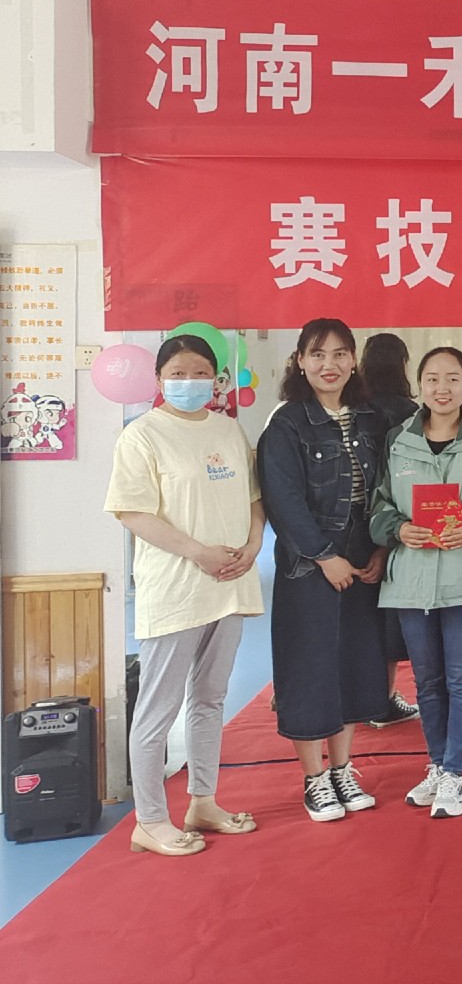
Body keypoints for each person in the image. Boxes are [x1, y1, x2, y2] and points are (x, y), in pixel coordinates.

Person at [105, 334, 265, 856]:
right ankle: (150, 820)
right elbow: (133, 512)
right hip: (176, 589)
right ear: (158, 379)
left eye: (200, 373)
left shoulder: (228, 429)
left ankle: (203, 801)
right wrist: (198, 552)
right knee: (158, 708)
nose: (190, 382)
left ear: (217, 380)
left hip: (230, 584)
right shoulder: (142, 435)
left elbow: (254, 498)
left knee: (210, 700)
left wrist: (252, 545)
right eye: (178, 373)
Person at [258, 319, 389, 822]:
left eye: (339, 354)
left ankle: (342, 769)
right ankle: (314, 779)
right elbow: (283, 499)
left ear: (354, 360)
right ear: (300, 361)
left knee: (356, 662)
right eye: (317, 355)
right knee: (309, 666)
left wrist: (380, 549)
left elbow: (387, 489)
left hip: (363, 555)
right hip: (308, 564)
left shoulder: (372, 420)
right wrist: (322, 554)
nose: (329, 365)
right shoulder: (287, 424)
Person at [369, 347, 462, 818]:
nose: (442, 389)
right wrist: (397, 529)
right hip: (411, 577)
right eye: (432, 379)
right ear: (419, 385)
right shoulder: (397, 440)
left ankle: (455, 773)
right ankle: (436, 763)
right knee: (427, 680)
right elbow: (379, 503)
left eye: (452, 379)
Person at [358, 331, 421, 729]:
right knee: (389, 618)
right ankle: (382, 698)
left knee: (358, 615)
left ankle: (359, 696)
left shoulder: (356, 408)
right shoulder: (409, 413)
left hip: (353, 523)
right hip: (399, 524)